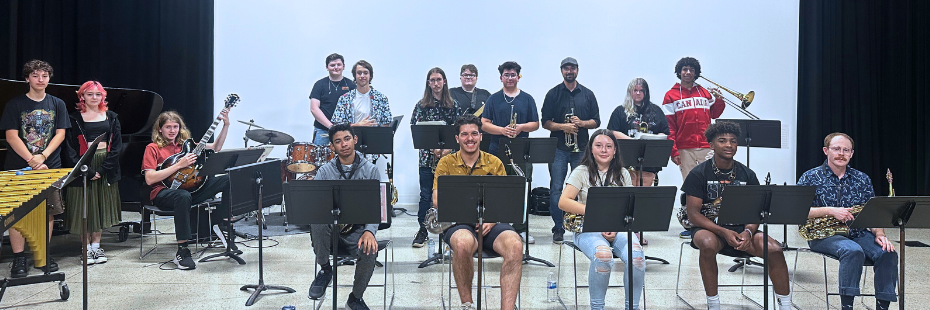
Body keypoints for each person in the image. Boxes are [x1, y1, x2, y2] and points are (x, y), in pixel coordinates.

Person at [682, 121, 792, 310]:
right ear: (711, 145)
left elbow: (757, 211)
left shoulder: (747, 174)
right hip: (710, 229)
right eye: (722, 141)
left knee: (774, 249)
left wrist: (748, 232)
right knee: (707, 244)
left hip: (742, 230)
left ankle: (786, 305)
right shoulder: (698, 174)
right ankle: (713, 304)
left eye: (733, 141)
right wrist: (723, 232)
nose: (729, 145)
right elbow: (693, 215)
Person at [798, 133, 897, 310]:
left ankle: (883, 306)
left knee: (887, 252)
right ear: (826, 151)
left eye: (846, 150)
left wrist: (880, 234)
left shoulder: (862, 179)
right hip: (824, 235)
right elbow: (797, 210)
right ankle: (847, 306)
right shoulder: (809, 177)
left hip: (857, 232)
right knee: (853, 251)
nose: (841, 153)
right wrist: (830, 211)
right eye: (836, 149)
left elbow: (873, 213)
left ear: (851, 153)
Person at [434, 114, 522, 310]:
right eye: (464, 134)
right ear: (457, 139)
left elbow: (504, 200)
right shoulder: (445, 163)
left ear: (481, 136)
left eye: (474, 133)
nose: (470, 138)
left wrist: (491, 218)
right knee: (463, 243)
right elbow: (437, 199)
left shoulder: (495, 162)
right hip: (459, 222)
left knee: (515, 245)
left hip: (492, 223)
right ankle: (468, 305)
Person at [558, 129, 643, 310]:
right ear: (591, 149)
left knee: (637, 258)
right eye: (598, 146)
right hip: (587, 227)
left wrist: (613, 223)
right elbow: (563, 202)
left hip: (617, 227)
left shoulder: (623, 173)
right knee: (603, 256)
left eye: (608, 146)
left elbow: (629, 206)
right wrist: (597, 214)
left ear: (614, 152)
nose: (603, 150)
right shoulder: (581, 171)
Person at [0, 60, 70, 277]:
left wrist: (43, 156)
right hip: (20, 167)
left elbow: (60, 134)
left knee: (46, 213)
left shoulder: (57, 103)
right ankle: (19, 258)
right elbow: (11, 136)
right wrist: (31, 159)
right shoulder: (15, 104)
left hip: (49, 166)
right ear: (27, 78)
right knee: (17, 214)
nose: (41, 80)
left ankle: (42, 255)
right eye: (36, 76)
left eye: (45, 76)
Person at [141, 110, 232, 270]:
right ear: (160, 129)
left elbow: (216, 147)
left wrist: (226, 125)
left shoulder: (187, 146)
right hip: (163, 193)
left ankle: (224, 225)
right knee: (182, 196)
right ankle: (182, 251)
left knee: (228, 178)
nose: (172, 130)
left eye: (175, 126)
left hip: (191, 192)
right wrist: (179, 165)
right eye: (168, 127)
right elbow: (149, 178)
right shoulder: (153, 148)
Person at [307, 123, 381, 310]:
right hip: (330, 234)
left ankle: (355, 298)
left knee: (370, 248)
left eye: (347, 139)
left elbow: (375, 207)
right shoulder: (324, 171)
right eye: (338, 141)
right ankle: (325, 270)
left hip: (356, 231)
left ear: (355, 140)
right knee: (317, 221)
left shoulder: (371, 170)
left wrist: (369, 231)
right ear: (332, 147)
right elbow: (315, 206)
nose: (344, 144)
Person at [662, 57, 725, 238]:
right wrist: (673, 151)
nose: (688, 72)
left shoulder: (704, 92)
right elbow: (669, 127)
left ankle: (712, 223)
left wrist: (719, 99)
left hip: (707, 145)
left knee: (712, 185)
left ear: (696, 72)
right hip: (684, 148)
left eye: (691, 69)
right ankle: (692, 224)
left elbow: (715, 113)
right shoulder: (670, 95)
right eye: (684, 69)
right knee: (692, 187)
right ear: (679, 72)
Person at [541, 57, 600, 243]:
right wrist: (563, 127)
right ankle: (558, 227)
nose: (569, 71)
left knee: (583, 188)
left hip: (581, 148)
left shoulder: (588, 94)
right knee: (557, 188)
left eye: (572, 68)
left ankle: (581, 225)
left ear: (577, 70)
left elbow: (596, 121)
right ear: (561, 71)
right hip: (558, 148)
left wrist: (582, 123)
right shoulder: (553, 94)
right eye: (566, 68)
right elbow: (545, 122)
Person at [64, 81, 123, 265]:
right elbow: (69, 149)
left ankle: (96, 247)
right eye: (90, 94)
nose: (94, 98)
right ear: (82, 96)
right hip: (83, 165)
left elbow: (117, 147)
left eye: (98, 94)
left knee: (99, 206)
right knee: (85, 207)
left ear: (103, 97)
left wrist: (103, 169)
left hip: (105, 165)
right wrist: (86, 170)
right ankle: (85, 249)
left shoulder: (112, 117)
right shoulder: (73, 118)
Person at [480, 61, 539, 243]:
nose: (510, 78)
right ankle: (500, 227)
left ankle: (521, 228)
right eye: (506, 75)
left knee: (521, 188)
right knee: (498, 188)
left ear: (518, 77)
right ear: (501, 78)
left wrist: (520, 127)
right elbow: (483, 123)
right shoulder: (493, 99)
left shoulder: (527, 98)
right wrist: (502, 131)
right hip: (497, 149)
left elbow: (535, 124)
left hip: (522, 150)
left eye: (513, 75)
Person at [410, 67, 464, 247]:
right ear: (428, 83)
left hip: (450, 159)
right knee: (426, 196)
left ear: (444, 81)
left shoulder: (453, 105)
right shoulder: (421, 105)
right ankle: (423, 230)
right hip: (427, 159)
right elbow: (415, 128)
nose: (435, 83)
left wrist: (447, 149)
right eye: (432, 80)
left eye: (438, 80)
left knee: (449, 195)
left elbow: (460, 130)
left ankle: (450, 231)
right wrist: (432, 146)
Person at [310, 53, 357, 145]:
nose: (336, 67)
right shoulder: (319, 84)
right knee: (321, 159)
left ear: (343, 66)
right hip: (322, 131)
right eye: (332, 65)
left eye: (339, 65)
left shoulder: (351, 85)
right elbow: (314, 108)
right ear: (327, 67)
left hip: (345, 132)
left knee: (345, 158)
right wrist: (331, 127)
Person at [331, 60, 392, 127]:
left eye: (365, 73)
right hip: (352, 136)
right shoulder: (344, 99)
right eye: (359, 73)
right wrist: (357, 125)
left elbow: (386, 124)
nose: (362, 76)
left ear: (370, 76)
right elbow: (337, 125)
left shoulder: (381, 98)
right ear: (355, 76)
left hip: (374, 136)